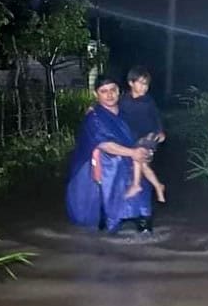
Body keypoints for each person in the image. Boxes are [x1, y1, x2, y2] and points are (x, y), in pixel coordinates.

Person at [66, 75, 155, 233]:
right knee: (115, 161)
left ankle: (140, 216)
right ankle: (113, 216)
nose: (109, 95)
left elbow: (143, 133)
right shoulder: (94, 118)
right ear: (96, 94)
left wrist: (146, 149)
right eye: (104, 91)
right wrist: (132, 153)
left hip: (133, 162)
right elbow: (104, 144)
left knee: (141, 168)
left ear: (119, 91)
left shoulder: (127, 113)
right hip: (105, 169)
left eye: (113, 90)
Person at [119, 66, 167, 203]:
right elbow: (114, 110)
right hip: (135, 137)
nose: (144, 87)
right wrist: (94, 107)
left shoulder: (148, 101)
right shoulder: (124, 101)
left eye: (146, 84)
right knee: (144, 166)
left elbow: (156, 117)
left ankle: (136, 185)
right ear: (131, 83)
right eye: (141, 83)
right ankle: (158, 186)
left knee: (137, 155)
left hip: (149, 136)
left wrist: (160, 131)